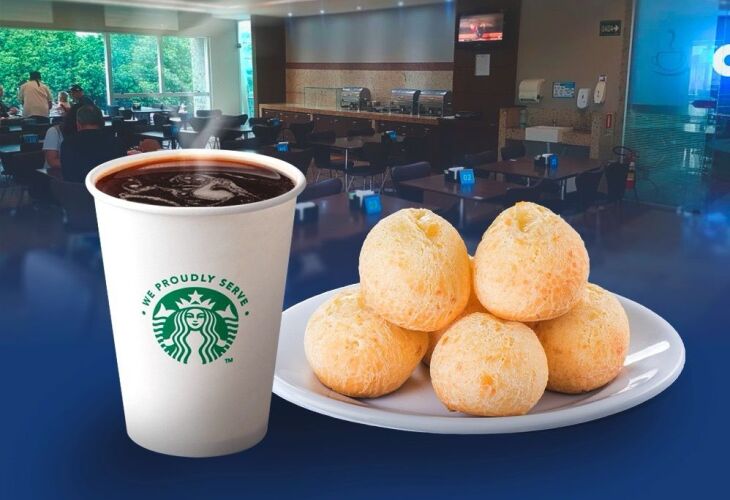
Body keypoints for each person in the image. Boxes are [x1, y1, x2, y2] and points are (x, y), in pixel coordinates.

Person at [60, 105, 126, 182]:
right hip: (104, 191)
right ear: (102, 122)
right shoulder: (115, 142)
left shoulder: (67, 143)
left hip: (74, 191)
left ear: (78, 123)